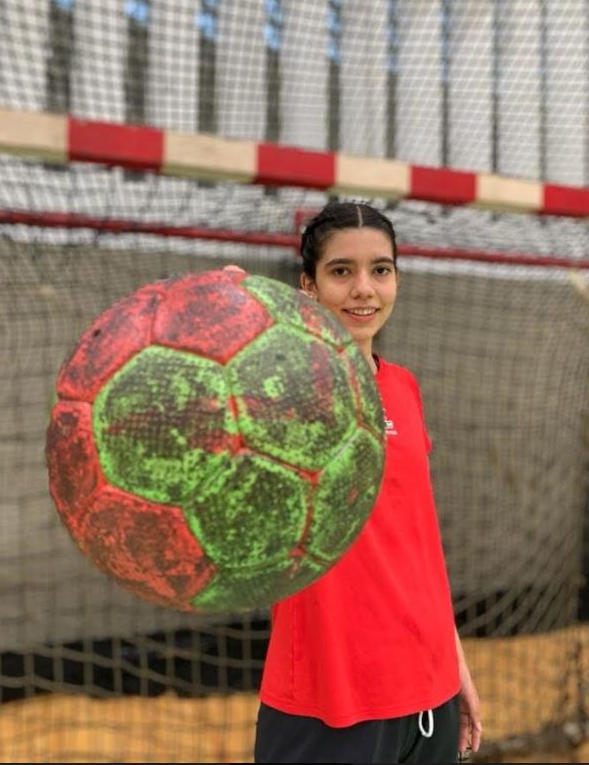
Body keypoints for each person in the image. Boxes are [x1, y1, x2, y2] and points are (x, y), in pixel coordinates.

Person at [249, 201, 482, 764]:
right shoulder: (280, 387)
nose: (364, 289)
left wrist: (454, 663)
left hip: (429, 690)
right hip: (331, 701)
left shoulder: (404, 387)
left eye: (380, 269)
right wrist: (231, 310)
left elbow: (416, 543)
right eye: (341, 271)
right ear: (307, 286)